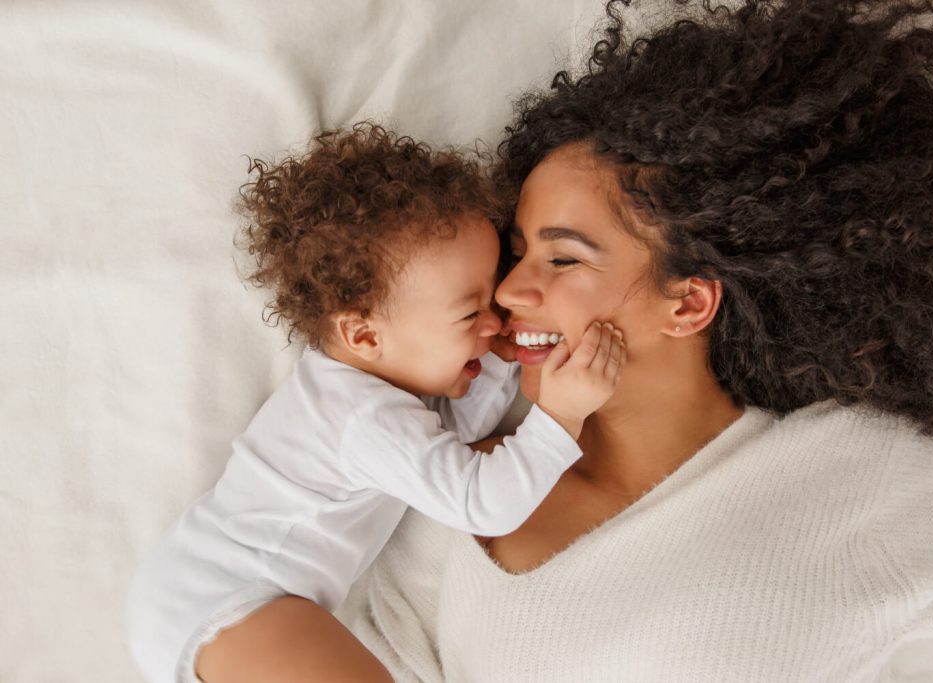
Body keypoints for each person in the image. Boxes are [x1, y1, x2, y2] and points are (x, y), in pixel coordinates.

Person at [332, 1, 933, 681]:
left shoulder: (846, 477)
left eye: (563, 259)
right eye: (516, 255)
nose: (510, 292)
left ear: (688, 301)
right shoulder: (459, 474)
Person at [125, 123, 626, 683]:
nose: (496, 322)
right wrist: (559, 417)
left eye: (491, 300)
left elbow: (452, 437)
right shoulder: (362, 416)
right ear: (364, 335)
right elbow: (480, 499)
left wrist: (497, 358)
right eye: (470, 314)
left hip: (209, 595)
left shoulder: (370, 388)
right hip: (230, 599)